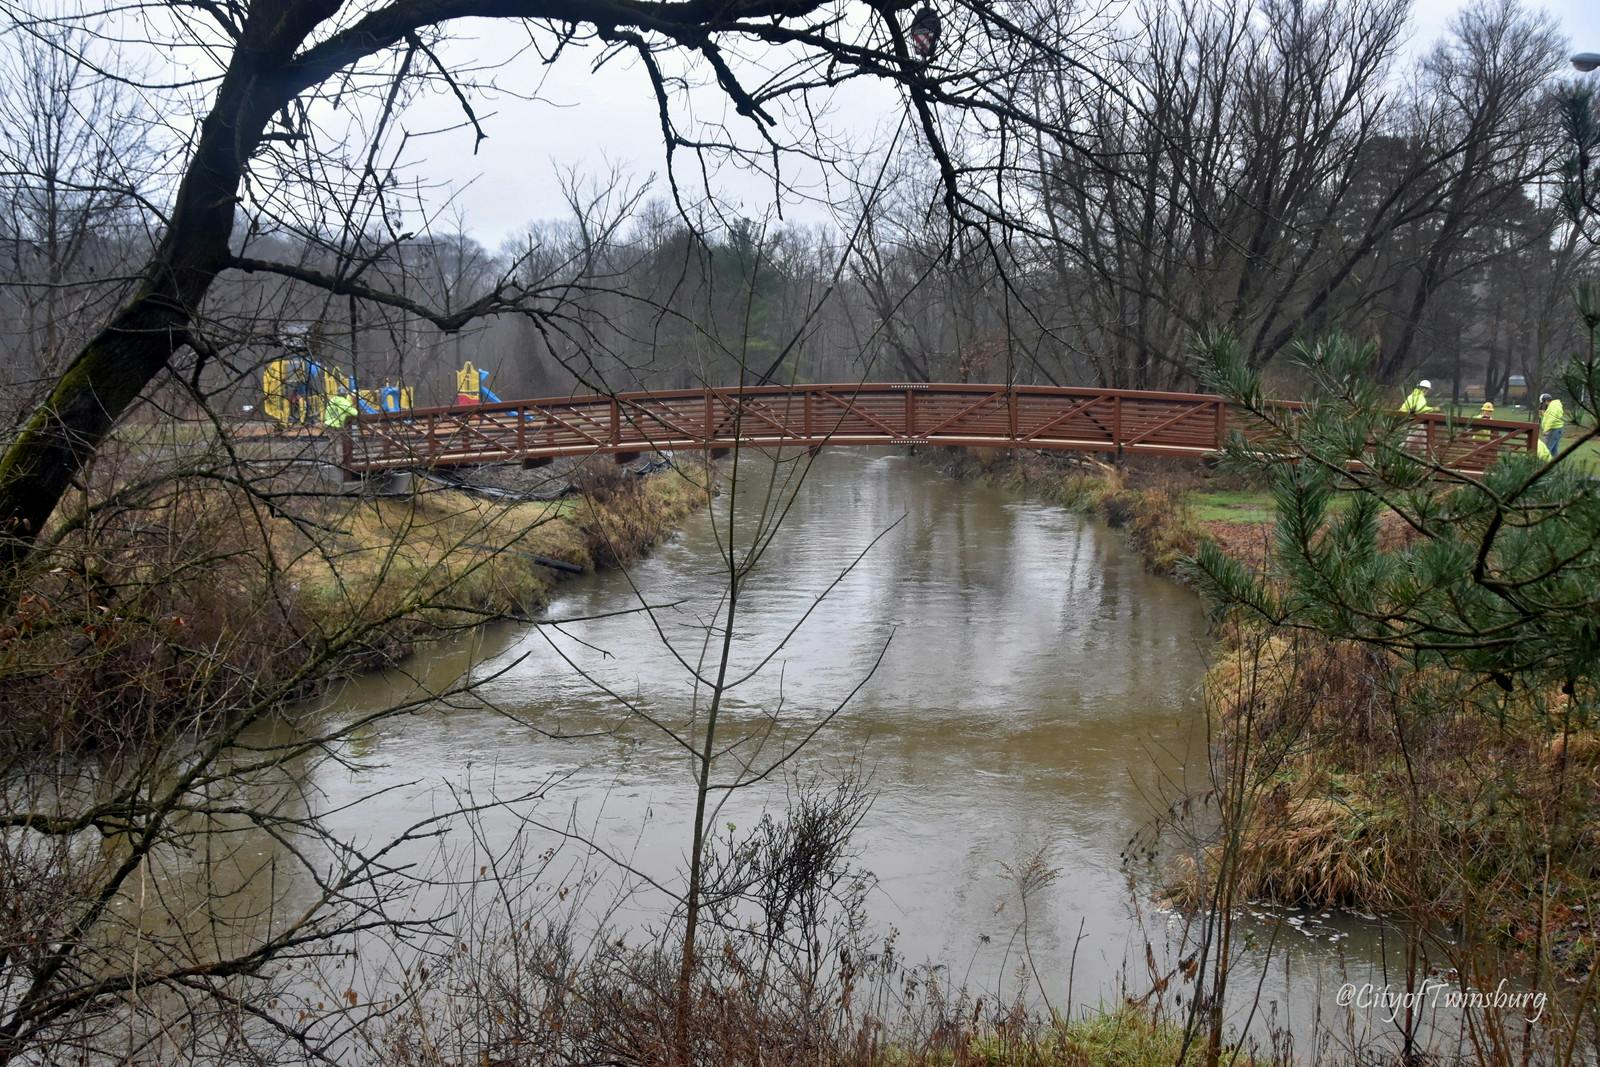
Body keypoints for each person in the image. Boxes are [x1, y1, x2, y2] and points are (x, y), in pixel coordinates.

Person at [1539, 392, 1565, 456]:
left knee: (1546, 450)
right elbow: (1551, 417)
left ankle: (1543, 465)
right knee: (1554, 451)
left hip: (1553, 430)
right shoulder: (1555, 405)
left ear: (1545, 401)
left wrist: (1546, 430)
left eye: (1543, 402)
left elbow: (1551, 419)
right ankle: (1556, 465)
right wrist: (1544, 414)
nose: (1544, 404)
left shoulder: (1552, 407)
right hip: (1557, 429)